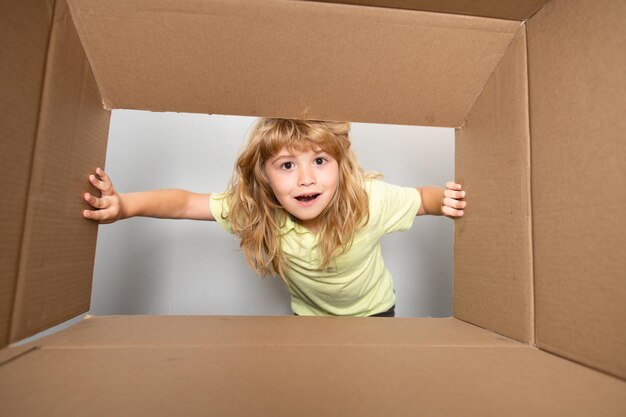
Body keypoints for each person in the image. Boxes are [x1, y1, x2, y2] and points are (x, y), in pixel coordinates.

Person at [83, 118, 466, 317]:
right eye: (286, 164)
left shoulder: (366, 200)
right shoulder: (258, 211)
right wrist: (125, 206)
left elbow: (422, 199)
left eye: (319, 160)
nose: (306, 178)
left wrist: (444, 198)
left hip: (376, 311)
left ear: (340, 166)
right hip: (310, 318)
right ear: (265, 175)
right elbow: (185, 203)